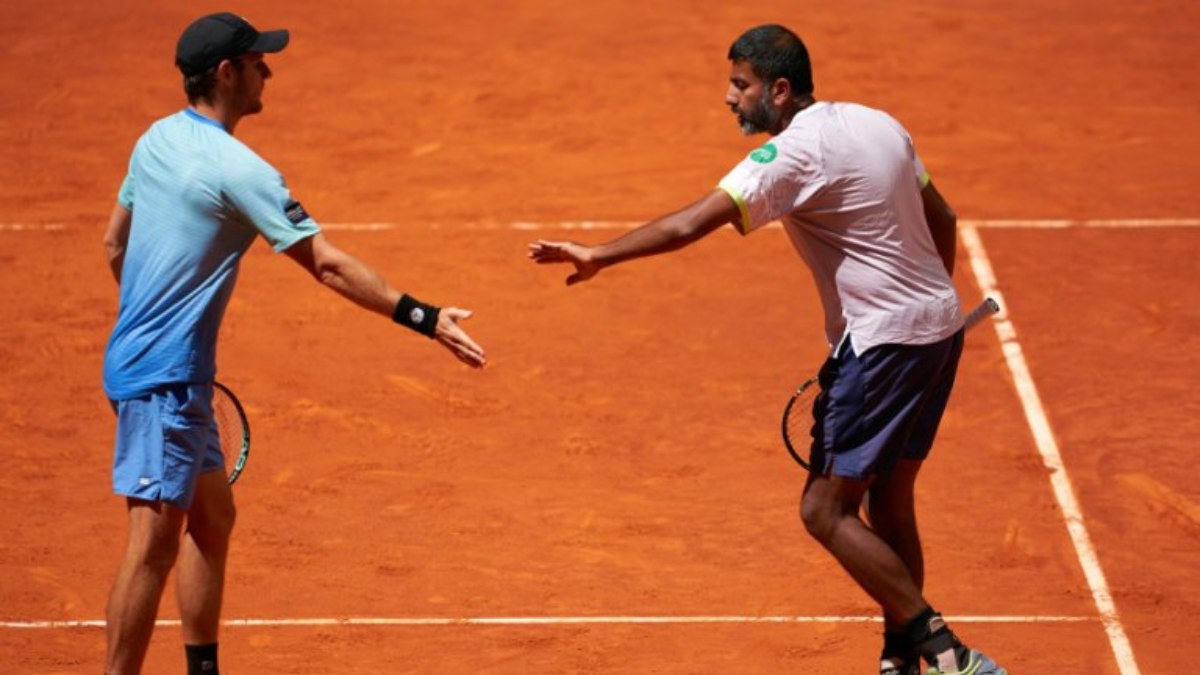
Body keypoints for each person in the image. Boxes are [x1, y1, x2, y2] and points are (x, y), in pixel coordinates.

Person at [529, 24, 1005, 675]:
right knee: (891, 499)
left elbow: (690, 222)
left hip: (883, 342)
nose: (730, 97)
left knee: (823, 509)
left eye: (740, 84)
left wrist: (599, 255)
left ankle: (948, 652)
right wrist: (928, 314)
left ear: (780, 90)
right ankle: (904, 657)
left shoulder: (794, 154)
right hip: (936, 329)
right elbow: (943, 219)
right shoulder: (880, 123)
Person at [100, 12, 486, 675]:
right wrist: (426, 317)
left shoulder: (154, 139)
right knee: (151, 545)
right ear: (227, 73)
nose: (268, 70)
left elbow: (114, 245)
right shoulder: (241, 169)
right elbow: (327, 264)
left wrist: (148, 322)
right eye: (258, 61)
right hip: (164, 380)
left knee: (212, 517)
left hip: (159, 369)